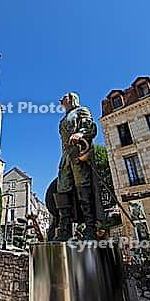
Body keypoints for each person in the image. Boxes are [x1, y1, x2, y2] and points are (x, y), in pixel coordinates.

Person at [53, 92, 98, 241]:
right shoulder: (63, 119)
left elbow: (91, 128)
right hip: (65, 156)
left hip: (78, 153)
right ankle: (65, 229)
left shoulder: (82, 111)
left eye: (64, 97)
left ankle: (90, 228)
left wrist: (81, 133)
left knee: (82, 187)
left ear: (72, 98)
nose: (61, 100)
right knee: (62, 188)